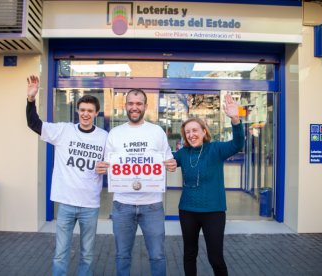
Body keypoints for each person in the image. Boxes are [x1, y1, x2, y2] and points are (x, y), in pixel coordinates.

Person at [25, 75, 108, 276]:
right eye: (82, 110)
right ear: (77, 111)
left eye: (90, 111)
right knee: (60, 253)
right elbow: (34, 124)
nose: (85, 114)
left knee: (87, 254)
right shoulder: (63, 130)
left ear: (96, 113)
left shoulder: (105, 137)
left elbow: (114, 165)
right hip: (66, 203)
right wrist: (30, 100)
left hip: (90, 204)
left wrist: (106, 168)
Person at [95, 89, 177, 276]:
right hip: (122, 205)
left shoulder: (157, 131)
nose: (134, 107)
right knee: (122, 255)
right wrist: (102, 168)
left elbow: (168, 160)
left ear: (145, 107)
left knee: (157, 255)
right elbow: (108, 164)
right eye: (131, 103)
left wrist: (171, 164)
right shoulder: (115, 133)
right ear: (125, 106)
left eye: (139, 104)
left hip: (152, 205)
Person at [173, 94, 244, 276]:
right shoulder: (182, 153)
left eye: (195, 130)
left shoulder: (216, 149)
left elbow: (238, 143)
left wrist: (235, 119)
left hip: (213, 211)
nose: (191, 134)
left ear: (204, 132)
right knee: (189, 253)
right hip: (187, 210)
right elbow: (162, 163)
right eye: (187, 132)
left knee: (215, 256)